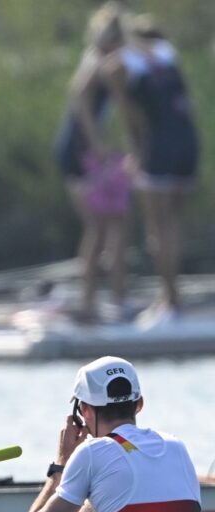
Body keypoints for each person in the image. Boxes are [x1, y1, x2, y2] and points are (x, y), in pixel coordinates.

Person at [0, 357, 201, 512]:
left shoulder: (92, 453)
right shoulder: (177, 447)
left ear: (84, 411)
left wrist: (60, 465)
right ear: (139, 404)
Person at [104, 15, 200, 327]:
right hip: (187, 141)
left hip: (158, 146)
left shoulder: (119, 62)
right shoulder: (165, 51)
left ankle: (170, 303)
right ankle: (169, 298)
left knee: (158, 229)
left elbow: (129, 114)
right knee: (172, 224)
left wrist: (134, 152)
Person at [53, 4, 131, 324]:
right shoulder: (96, 59)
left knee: (110, 225)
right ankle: (89, 304)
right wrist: (97, 145)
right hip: (78, 153)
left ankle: (110, 299)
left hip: (88, 151)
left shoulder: (103, 62)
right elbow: (80, 100)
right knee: (98, 227)